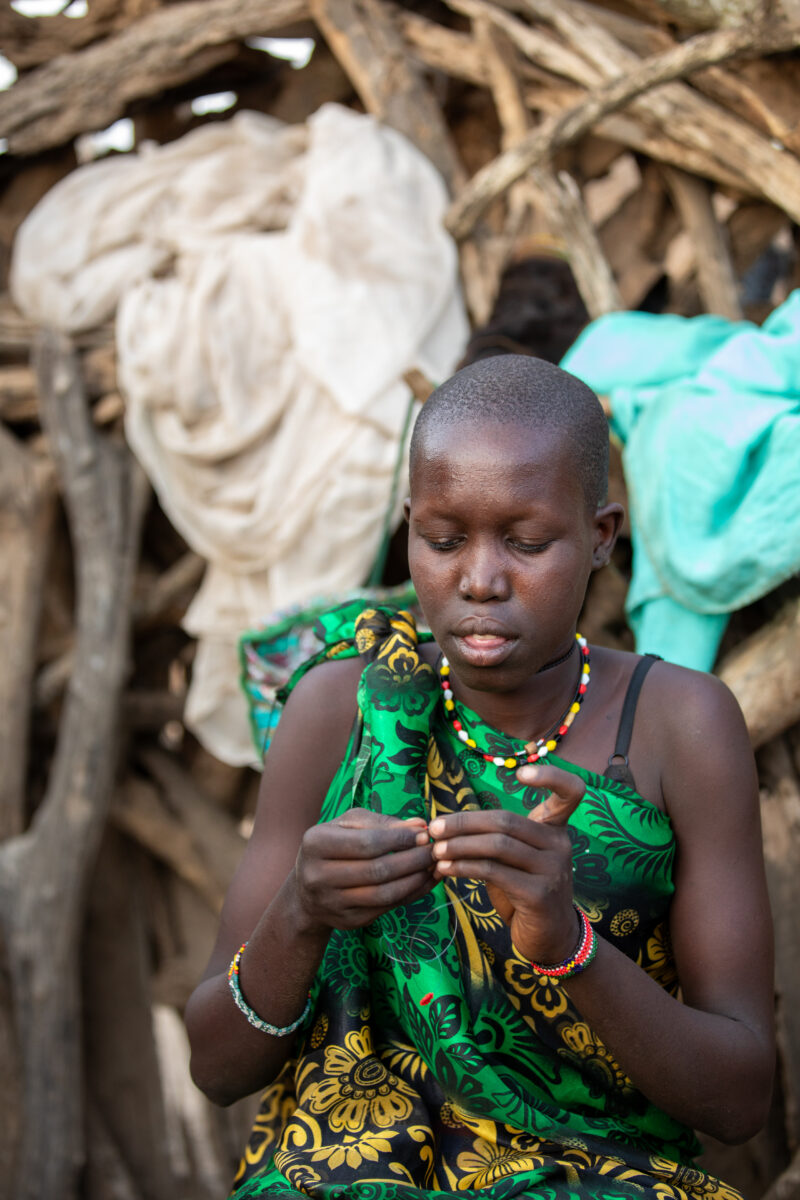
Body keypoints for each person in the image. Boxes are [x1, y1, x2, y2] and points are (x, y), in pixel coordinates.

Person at [185, 355, 775, 1200]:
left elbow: (741, 1097)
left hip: (598, 1177)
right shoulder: (340, 708)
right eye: (444, 539)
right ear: (409, 529)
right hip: (343, 1172)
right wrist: (301, 913)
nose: (480, 579)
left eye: (527, 542)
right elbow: (216, 1066)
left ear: (602, 537)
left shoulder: (681, 725)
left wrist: (569, 946)